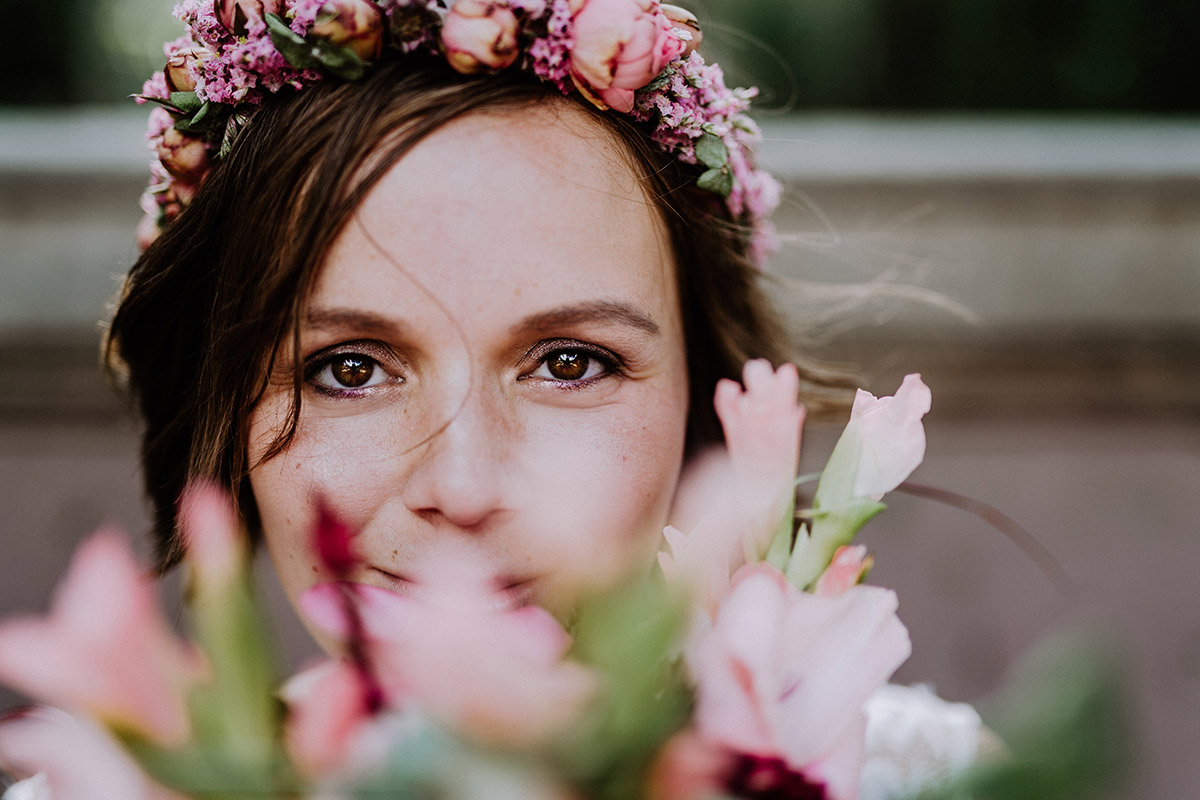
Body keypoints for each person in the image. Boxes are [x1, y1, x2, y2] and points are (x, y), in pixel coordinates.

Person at [2, 1, 991, 796]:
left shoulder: (925, 779)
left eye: (569, 362)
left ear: (710, 404)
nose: (464, 486)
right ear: (221, 413)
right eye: (349, 368)